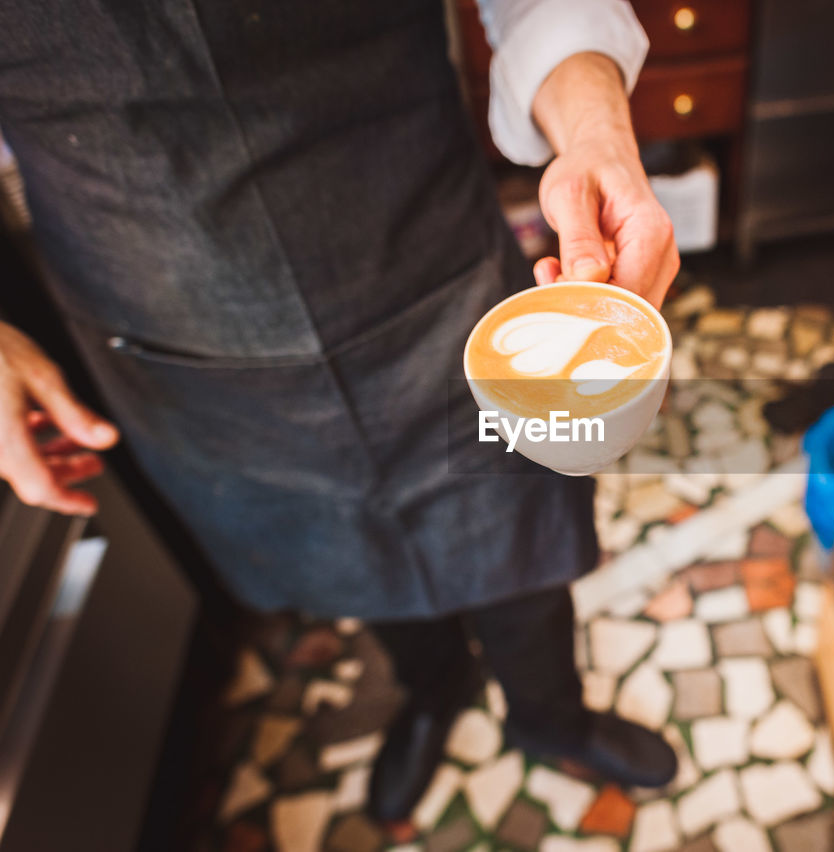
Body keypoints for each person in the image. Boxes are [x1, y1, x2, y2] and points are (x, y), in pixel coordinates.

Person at [0, 0, 680, 821]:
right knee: (347, 559)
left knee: (517, 528)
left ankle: (549, 717)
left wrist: (597, 133)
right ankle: (435, 688)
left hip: (429, 263)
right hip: (174, 330)